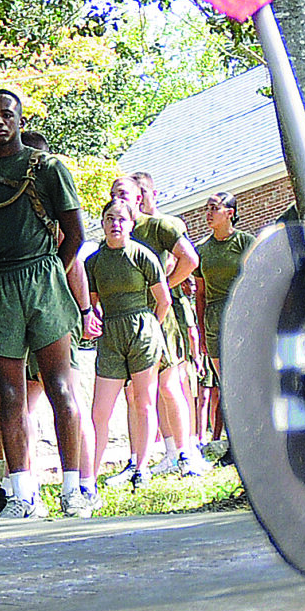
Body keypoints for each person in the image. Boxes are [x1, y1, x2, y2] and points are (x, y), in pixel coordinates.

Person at [0, 102, 96, 519]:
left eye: (7, 114)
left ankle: (74, 488)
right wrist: (6, 272)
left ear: (21, 120)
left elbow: (75, 232)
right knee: (8, 394)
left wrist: (49, 272)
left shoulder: (48, 169)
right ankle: (22, 493)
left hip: (43, 278)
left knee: (61, 387)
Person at [84, 203, 173, 504]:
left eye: (122, 219)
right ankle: (89, 477)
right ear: (103, 223)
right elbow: (92, 302)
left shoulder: (142, 255)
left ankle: (141, 466)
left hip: (143, 330)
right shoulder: (94, 262)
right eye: (110, 219)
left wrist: (151, 329)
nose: (116, 224)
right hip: (110, 334)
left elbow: (164, 300)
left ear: (131, 224)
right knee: (100, 411)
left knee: (143, 401)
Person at [129, 172, 205, 476]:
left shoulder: (163, 225)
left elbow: (187, 261)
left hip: (166, 311)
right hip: (136, 316)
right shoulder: (124, 228)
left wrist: (163, 287)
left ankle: (189, 450)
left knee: (172, 383)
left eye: (142, 192)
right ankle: (170, 450)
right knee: (144, 389)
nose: (139, 198)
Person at [192, 192, 255, 450]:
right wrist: (201, 331)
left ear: (230, 212)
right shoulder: (202, 250)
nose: (208, 213)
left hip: (242, 314)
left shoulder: (245, 242)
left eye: (214, 208)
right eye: (206, 208)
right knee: (227, 383)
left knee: (247, 378)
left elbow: (257, 280)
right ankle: (235, 443)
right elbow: (200, 293)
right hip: (214, 320)